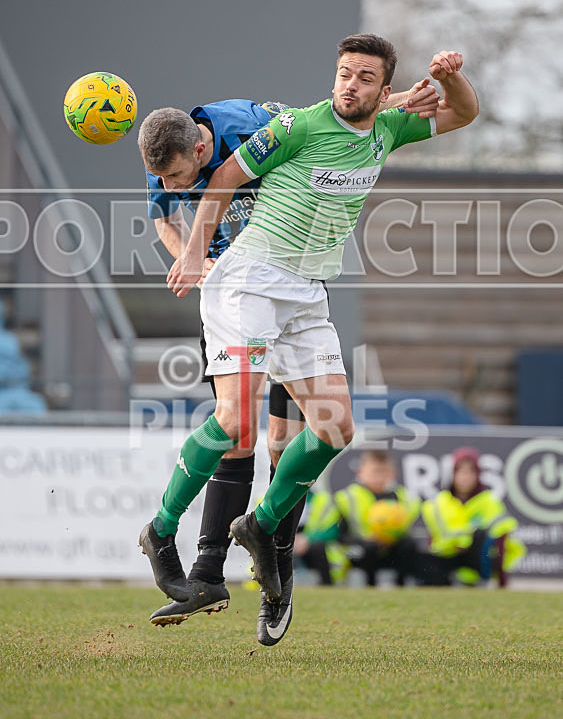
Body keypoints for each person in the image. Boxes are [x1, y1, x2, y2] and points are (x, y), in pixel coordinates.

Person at [145, 33, 479, 644]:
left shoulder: (387, 130)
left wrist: (449, 76)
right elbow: (219, 180)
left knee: (335, 428)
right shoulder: (295, 126)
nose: (350, 84)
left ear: (382, 89)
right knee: (239, 425)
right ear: (335, 77)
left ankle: (262, 526)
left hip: (307, 293)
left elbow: (463, 112)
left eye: (364, 77)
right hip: (247, 282)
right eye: (344, 73)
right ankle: (162, 530)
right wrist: (195, 254)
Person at [295, 449, 487, 587]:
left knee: (409, 545)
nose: (379, 477)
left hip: (390, 549)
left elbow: (407, 529)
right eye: (374, 472)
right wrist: (365, 539)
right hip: (359, 549)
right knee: (368, 548)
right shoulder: (347, 498)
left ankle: (401, 585)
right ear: (361, 473)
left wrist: (394, 535)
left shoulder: (401, 497)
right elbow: (341, 534)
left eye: (383, 472)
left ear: (392, 474)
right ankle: (369, 586)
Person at [422, 447, 526, 586]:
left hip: (477, 562)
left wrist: (502, 581)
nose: (465, 477)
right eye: (461, 471)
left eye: (471, 472)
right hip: (447, 560)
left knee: (481, 537)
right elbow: (433, 540)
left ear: (478, 475)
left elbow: (501, 539)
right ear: (453, 474)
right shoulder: (438, 503)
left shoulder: (489, 502)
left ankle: (476, 580)